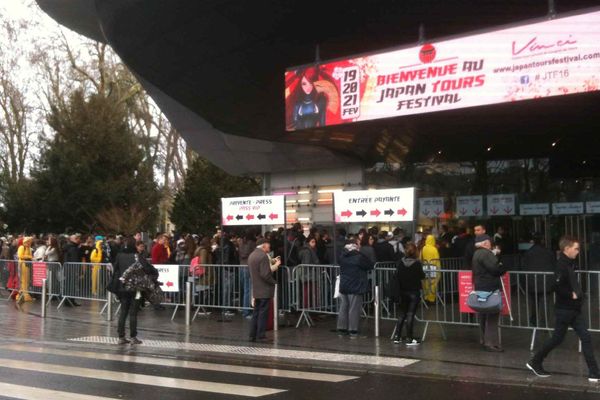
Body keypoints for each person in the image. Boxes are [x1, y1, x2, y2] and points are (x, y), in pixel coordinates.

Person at [527, 236, 600, 382]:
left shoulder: (570, 263)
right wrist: (571, 294)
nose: (578, 251)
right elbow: (554, 285)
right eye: (576, 248)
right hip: (565, 310)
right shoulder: (561, 265)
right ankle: (535, 361)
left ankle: (594, 373)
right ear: (567, 249)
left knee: (584, 337)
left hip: (572, 309)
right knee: (557, 339)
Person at [472, 234, 506, 352]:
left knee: (483, 313)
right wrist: (501, 265)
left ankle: (483, 339)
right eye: (489, 242)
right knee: (492, 314)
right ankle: (491, 343)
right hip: (489, 287)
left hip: (480, 287)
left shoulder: (476, 253)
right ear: (486, 243)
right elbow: (496, 269)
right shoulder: (486, 254)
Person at [109, 236, 146, 345]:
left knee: (123, 311)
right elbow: (146, 269)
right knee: (133, 312)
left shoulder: (119, 256)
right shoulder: (137, 256)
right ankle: (133, 337)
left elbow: (115, 270)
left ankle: (121, 336)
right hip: (136, 288)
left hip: (123, 288)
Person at [336, 239, 374, 339]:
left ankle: (342, 329)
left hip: (344, 285)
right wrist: (360, 252)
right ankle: (353, 330)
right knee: (354, 309)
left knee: (343, 307)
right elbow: (370, 265)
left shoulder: (342, 256)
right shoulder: (358, 257)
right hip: (356, 285)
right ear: (355, 246)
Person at [393, 242, 426, 345]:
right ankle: (409, 338)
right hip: (414, 291)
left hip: (402, 291)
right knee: (410, 314)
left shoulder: (400, 262)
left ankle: (397, 336)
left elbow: (397, 275)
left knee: (402, 314)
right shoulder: (417, 263)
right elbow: (422, 276)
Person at [248, 238, 281, 342]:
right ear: (263, 246)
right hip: (264, 289)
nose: (269, 247)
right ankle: (261, 335)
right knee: (263, 313)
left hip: (257, 289)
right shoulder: (262, 256)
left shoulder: (252, 255)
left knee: (256, 312)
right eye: (268, 245)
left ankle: (252, 335)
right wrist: (274, 282)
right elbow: (265, 274)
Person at [522, 233, 556, 326]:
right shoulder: (549, 252)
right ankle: (544, 323)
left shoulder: (528, 253)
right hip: (546, 282)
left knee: (534, 303)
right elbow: (554, 266)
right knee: (545, 303)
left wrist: (525, 284)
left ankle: (534, 321)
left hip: (533, 283)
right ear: (543, 240)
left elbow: (524, 267)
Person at [238, 231, 257, 318]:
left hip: (241, 266)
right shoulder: (252, 244)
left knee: (245, 289)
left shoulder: (240, 243)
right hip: (249, 267)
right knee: (248, 290)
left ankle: (244, 309)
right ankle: (246, 311)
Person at [420, 234, 441, 303]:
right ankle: (431, 298)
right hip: (433, 267)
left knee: (426, 283)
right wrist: (438, 269)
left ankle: (426, 297)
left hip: (425, 267)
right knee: (433, 283)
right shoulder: (434, 249)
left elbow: (420, 258)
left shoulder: (423, 248)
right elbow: (437, 259)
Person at [16, 237, 34, 303]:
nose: (30, 243)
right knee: (23, 280)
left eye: (30, 241)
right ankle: (23, 295)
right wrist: (29, 257)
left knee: (27, 280)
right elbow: (20, 255)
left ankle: (25, 294)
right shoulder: (21, 247)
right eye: (29, 241)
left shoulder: (29, 248)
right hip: (22, 265)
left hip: (27, 265)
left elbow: (30, 256)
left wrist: (30, 257)